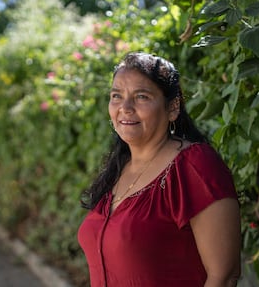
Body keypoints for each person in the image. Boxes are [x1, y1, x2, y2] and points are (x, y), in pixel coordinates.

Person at [77, 52, 241, 287]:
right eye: (116, 96)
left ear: (172, 107)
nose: (125, 107)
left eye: (141, 96)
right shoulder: (118, 169)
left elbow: (224, 276)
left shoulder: (195, 165)